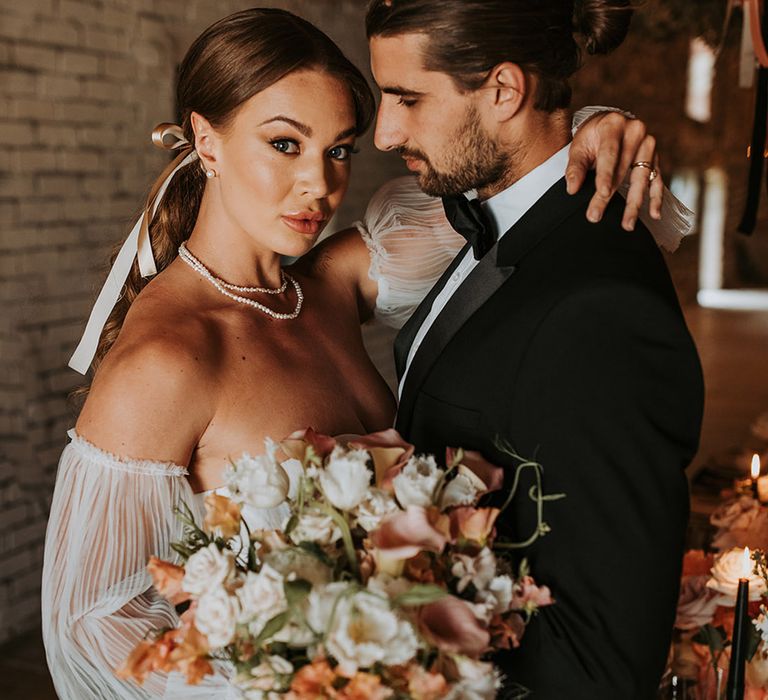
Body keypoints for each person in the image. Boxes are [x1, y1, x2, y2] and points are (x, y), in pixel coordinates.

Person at [41, 6, 688, 699]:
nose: (320, 185)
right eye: (285, 144)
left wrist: (590, 124)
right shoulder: (166, 360)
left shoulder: (330, 285)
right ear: (207, 140)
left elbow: (514, 183)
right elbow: (93, 623)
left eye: (339, 149)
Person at [364, 0, 704, 698]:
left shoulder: (601, 312)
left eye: (407, 98)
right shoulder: (493, 216)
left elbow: (602, 663)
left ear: (504, 90)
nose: (383, 131)